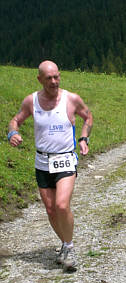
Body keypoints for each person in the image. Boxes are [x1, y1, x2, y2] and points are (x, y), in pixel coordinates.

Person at [7, 60, 93, 272]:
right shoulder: (31, 101)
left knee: (62, 205)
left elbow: (88, 117)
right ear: (39, 79)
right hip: (43, 161)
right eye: (49, 78)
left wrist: (84, 138)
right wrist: (12, 133)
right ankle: (64, 244)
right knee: (51, 210)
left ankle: (70, 248)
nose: (54, 82)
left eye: (56, 77)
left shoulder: (71, 99)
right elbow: (15, 120)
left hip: (65, 159)